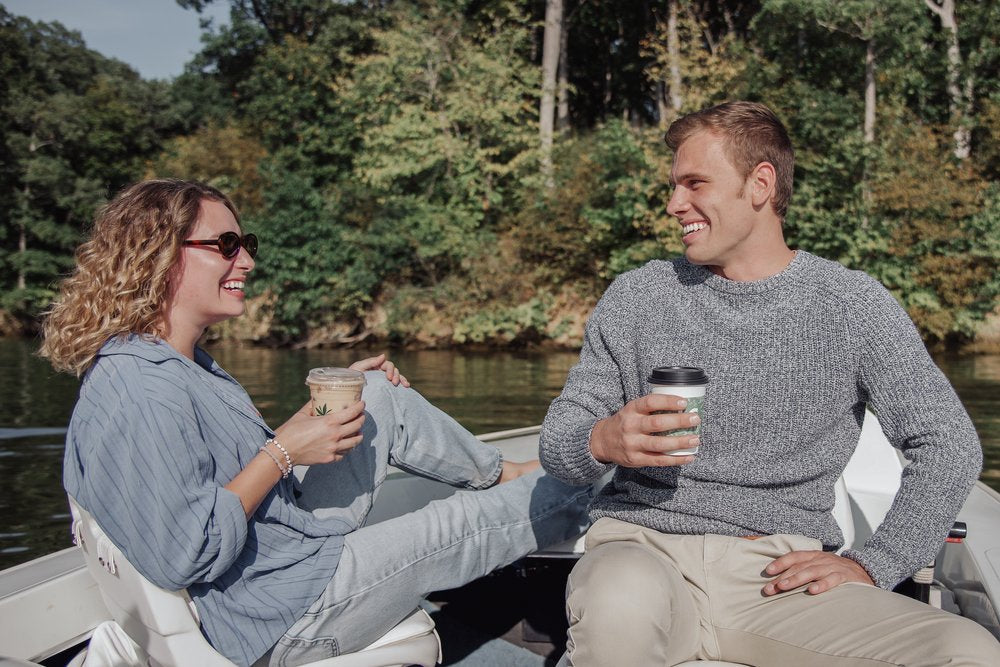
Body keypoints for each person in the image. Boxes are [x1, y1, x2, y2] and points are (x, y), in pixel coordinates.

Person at [41, 178, 592, 667]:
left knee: (375, 394)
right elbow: (185, 555)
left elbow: (215, 475)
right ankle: (610, 489)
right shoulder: (142, 389)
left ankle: (504, 472)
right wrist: (281, 450)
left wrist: (303, 430)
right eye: (226, 246)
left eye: (246, 245)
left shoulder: (175, 363)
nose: (248, 262)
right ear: (156, 256)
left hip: (278, 554)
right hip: (279, 612)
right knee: (458, 523)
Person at [539, 101, 1000, 665]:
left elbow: (948, 446)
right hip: (642, 554)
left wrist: (874, 562)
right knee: (617, 604)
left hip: (780, 579)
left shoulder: (853, 305)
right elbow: (560, 441)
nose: (673, 204)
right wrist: (600, 441)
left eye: (694, 183)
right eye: (673, 186)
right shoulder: (638, 296)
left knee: (966, 650)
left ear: (760, 184)